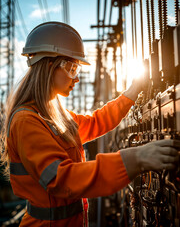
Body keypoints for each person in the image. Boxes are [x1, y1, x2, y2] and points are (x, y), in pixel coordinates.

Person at [0, 22, 179, 227]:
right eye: (72, 68)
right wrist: (136, 159)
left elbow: (95, 123)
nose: (75, 78)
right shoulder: (27, 121)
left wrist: (132, 92)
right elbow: (61, 179)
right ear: (49, 65)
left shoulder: (54, 116)